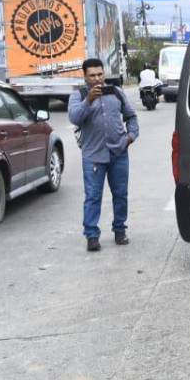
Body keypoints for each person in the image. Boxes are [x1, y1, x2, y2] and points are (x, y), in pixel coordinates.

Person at [68, 59, 139, 251]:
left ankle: (120, 230)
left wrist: (130, 137)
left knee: (121, 194)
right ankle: (92, 235)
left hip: (118, 153)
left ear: (104, 74)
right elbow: (74, 118)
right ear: (85, 77)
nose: (97, 79)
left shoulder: (116, 93)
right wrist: (88, 100)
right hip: (93, 156)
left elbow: (131, 116)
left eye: (100, 74)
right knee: (92, 196)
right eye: (92, 75)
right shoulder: (78, 96)